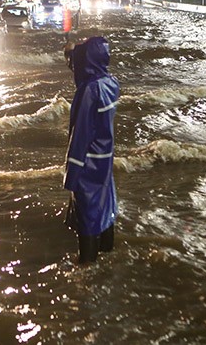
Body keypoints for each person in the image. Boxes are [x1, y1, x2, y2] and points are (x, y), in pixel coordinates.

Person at [63, 36, 120, 264]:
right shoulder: (110, 83)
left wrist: (71, 177)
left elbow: (80, 137)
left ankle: (87, 269)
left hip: (88, 163)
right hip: (104, 160)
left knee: (87, 216)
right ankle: (107, 254)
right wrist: (72, 51)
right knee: (105, 208)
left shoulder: (88, 92)